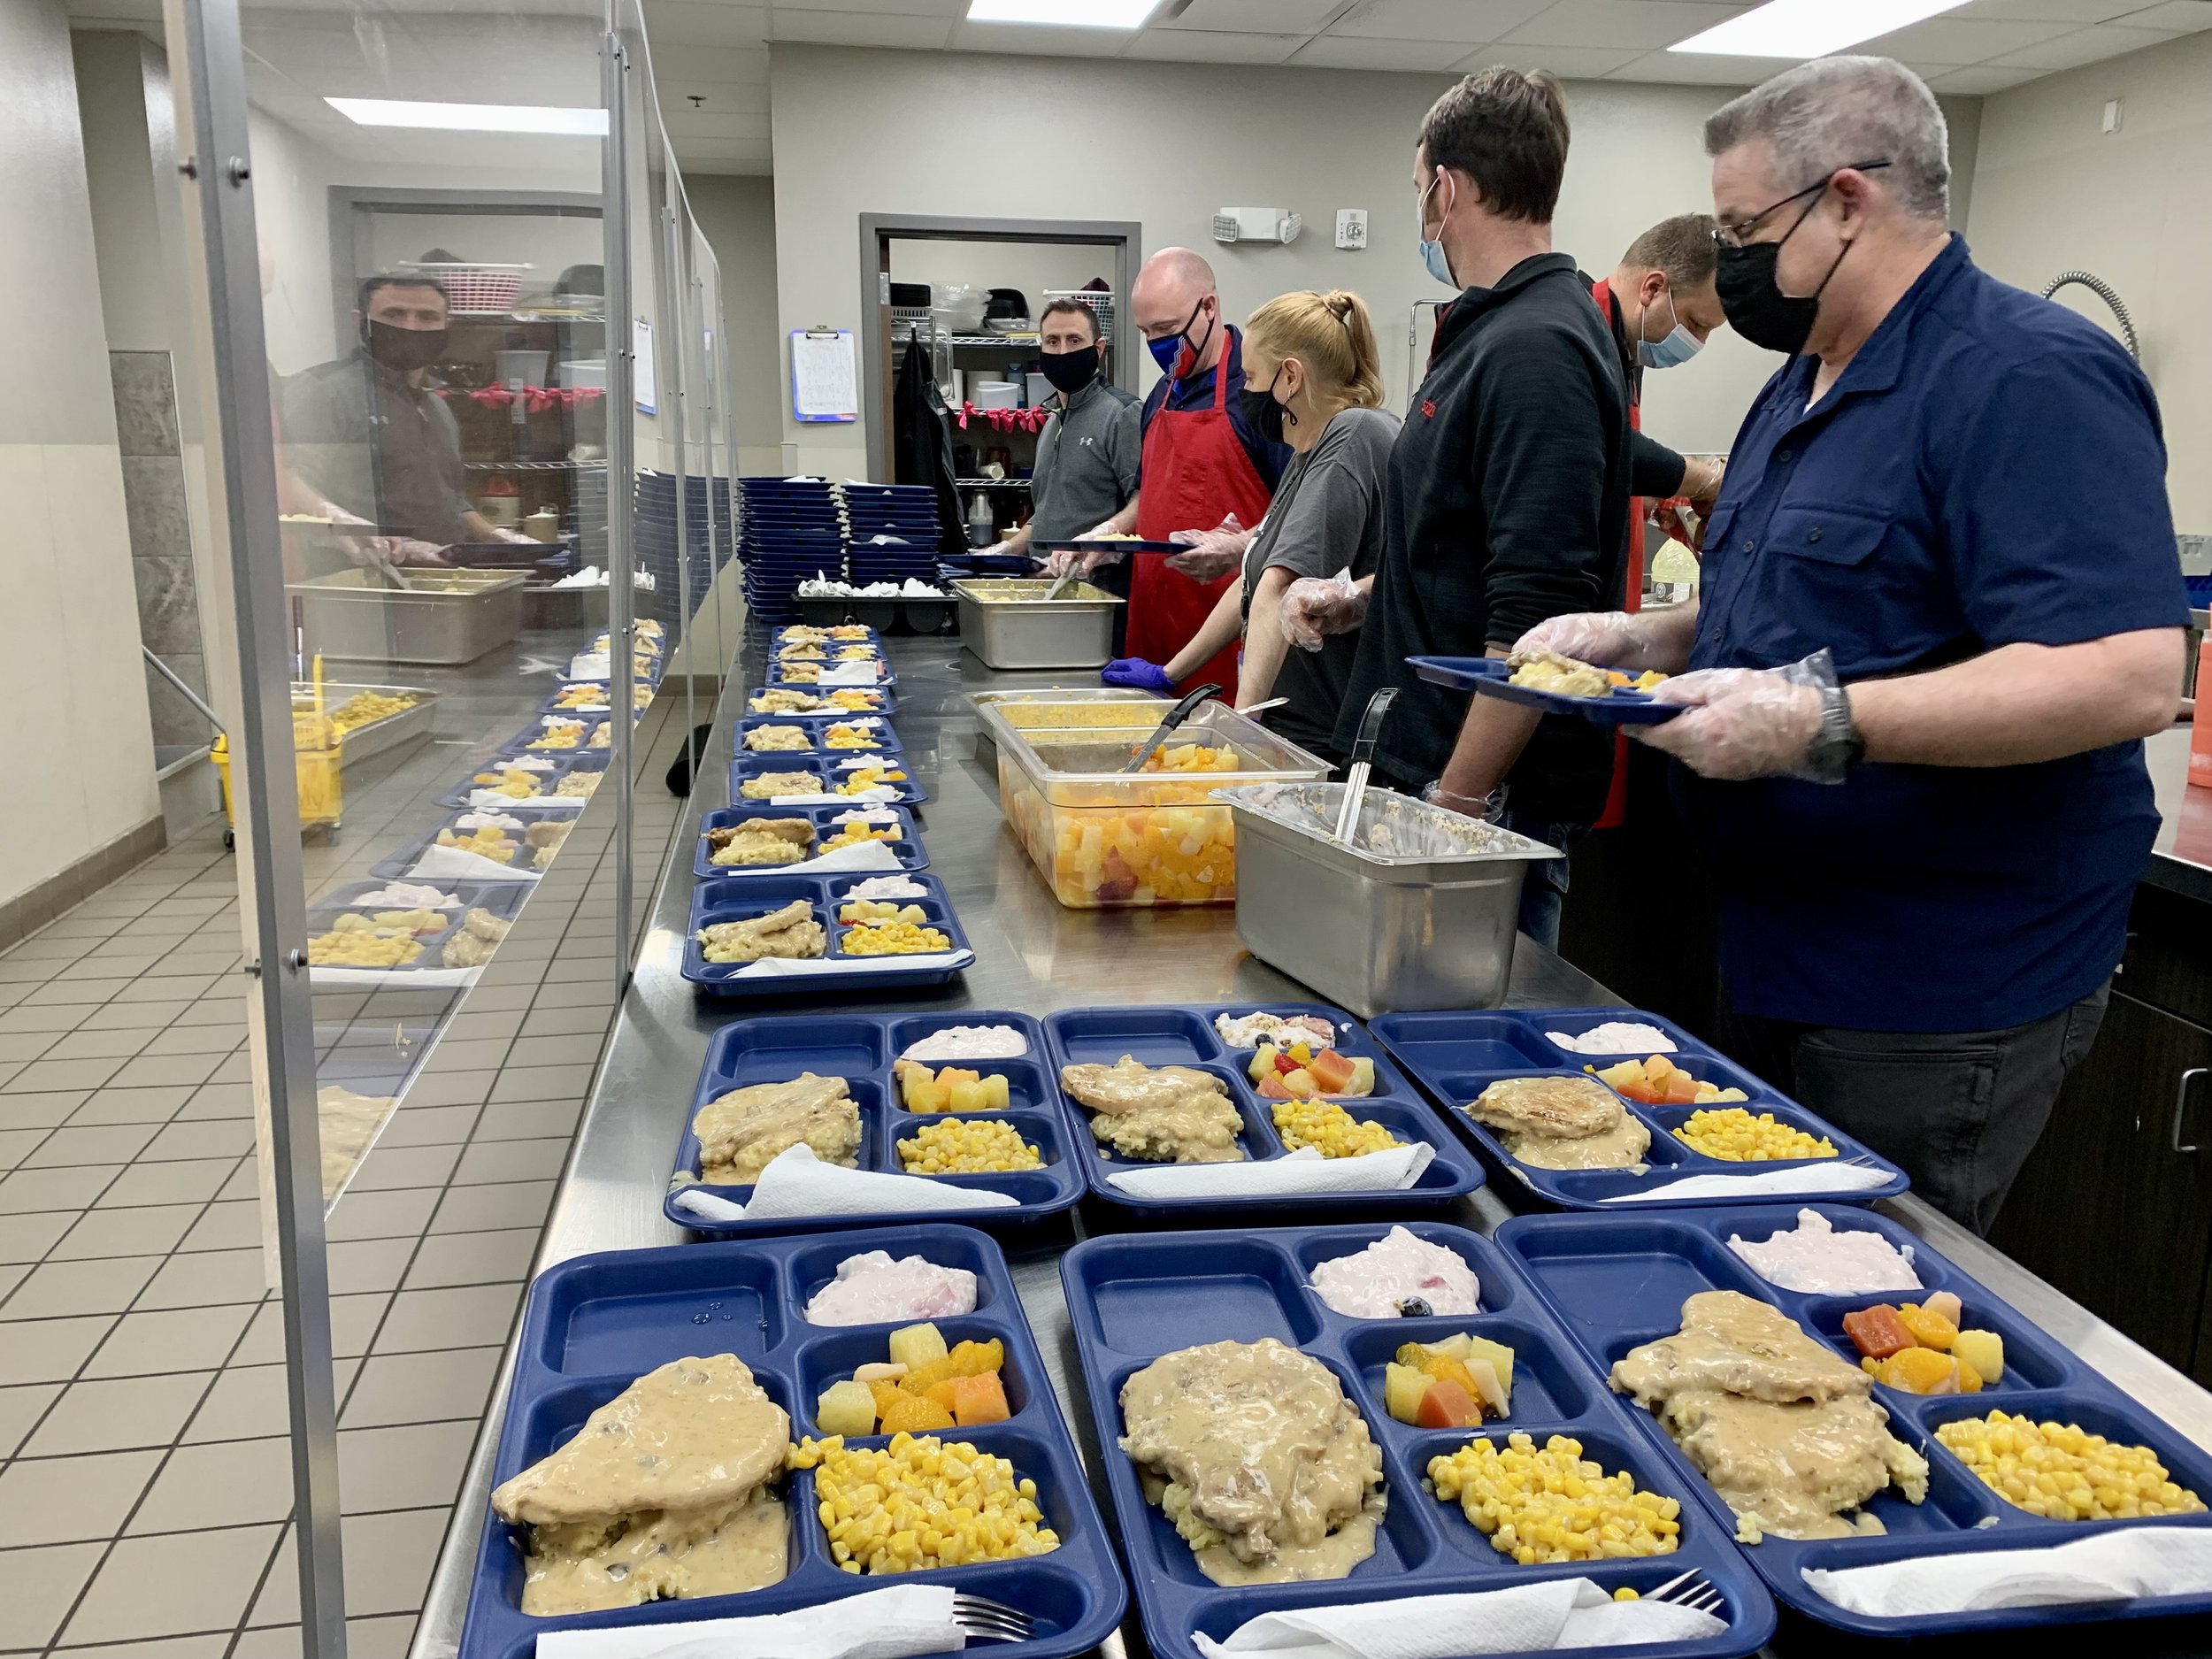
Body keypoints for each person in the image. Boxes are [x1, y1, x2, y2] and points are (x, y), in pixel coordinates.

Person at [1518, 57, 2189, 1233]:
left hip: (1933, 988)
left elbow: (2128, 674)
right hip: (1780, 942)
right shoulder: (1803, 383)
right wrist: (1648, 634)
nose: (1725, 265)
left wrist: (1826, 719)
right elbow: (1790, 600)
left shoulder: (2027, 376)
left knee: (1866, 1317)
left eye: (1741, 230)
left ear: (1846, 202)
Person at [1333, 67, 1633, 949]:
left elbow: (1535, 612)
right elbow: (1457, 539)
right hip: (1420, 775)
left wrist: (1456, 807)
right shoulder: (1487, 328)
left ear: (1448, 187)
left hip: (1472, 814)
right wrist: (1363, 597)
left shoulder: (1536, 345)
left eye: (1419, 186)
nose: (1420, 207)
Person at [1104, 290, 1399, 761]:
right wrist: (1171, 672)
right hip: (1295, 721)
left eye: (1254, 377)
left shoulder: (1352, 435)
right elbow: (1252, 578)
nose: (1247, 391)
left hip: (1327, 733)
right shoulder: (1308, 451)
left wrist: (1242, 735)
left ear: (1289, 378)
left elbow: (1279, 588)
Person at [1079, 248, 1291, 700]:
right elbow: (1148, 494)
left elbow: (1301, 512)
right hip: (1152, 634)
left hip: (1229, 639)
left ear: (1209, 307)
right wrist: (1112, 532)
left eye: (1168, 330)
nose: (1158, 344)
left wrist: (1240, 545)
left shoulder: (1258, 394)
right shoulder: (1161, 394)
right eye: (1146, 332)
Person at [281, 274, 534, 560]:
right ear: (359, 321)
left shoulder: (437, 407)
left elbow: (447, 498)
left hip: (438, 581)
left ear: (445, 326)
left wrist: (491, 534)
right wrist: (348, 525)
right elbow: (286, 480)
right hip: (359, 582)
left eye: (427, 317)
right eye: (394, 314)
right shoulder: (325, 391)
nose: (410, 327)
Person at [987, 299, 1140, 627]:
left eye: (1074, 341)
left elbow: (1146, 500)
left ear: (1098, 348)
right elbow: (1047, 512)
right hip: (1045, 592)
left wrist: (1098, 538)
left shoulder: (1122, 414)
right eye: (1052, 342)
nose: (1061, 352)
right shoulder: (1053, 422)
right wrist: (1008, 549)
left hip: (1098, 601)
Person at [1595, 214, 1730, 556]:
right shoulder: (1576, 339)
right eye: (1696, 323)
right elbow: (1602, 446)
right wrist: (1705, 480)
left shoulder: (1627, 348)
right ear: (1653, 289)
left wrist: (1651, 499)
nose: (1699, 342)